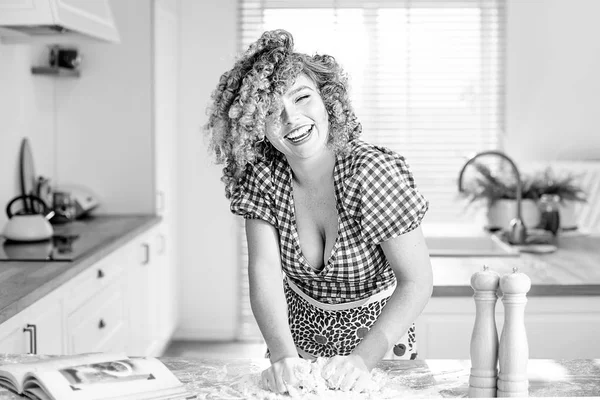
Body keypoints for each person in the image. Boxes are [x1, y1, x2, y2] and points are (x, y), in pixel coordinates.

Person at [204, 29, 433, 394]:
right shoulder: (263, 178)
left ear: (327, 100)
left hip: (378, 353)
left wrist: (362, 360)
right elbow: (264, 270)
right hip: (295, 352)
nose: (292, 119)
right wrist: (282, 358)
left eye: (302, 98)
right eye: (272, 112)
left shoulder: (370, 173)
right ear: (255, 125)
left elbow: (416, 281)